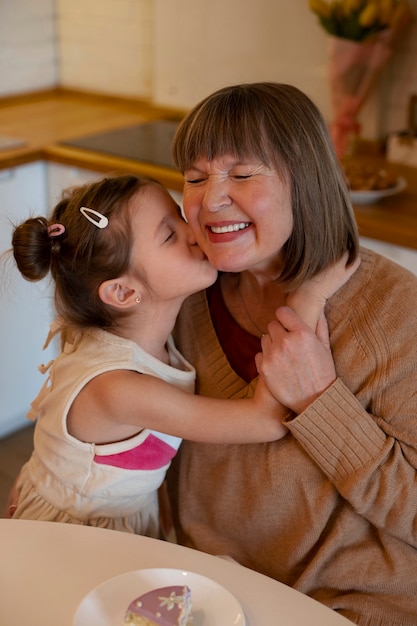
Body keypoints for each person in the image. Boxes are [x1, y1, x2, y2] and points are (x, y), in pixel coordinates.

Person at [165, 82, 417, 626]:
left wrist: (319, 401)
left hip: (349, 606)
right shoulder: (181, 296)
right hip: (206, 588)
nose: (210, 200)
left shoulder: (397, 310)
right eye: (195, 177)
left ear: (305, 181)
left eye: (242, 173)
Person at [6, 173, 350, 536]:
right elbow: (264, 421)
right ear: (123, 293)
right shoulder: (120, 389)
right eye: (169, 235)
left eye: (180, 218)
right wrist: (309, 296)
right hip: (78, 542)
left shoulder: (128, 338)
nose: (194, 231)